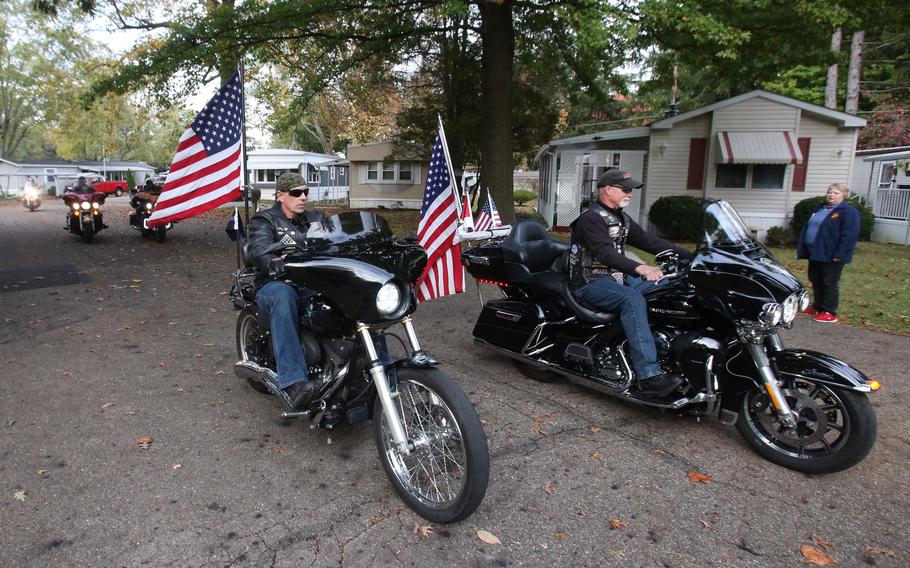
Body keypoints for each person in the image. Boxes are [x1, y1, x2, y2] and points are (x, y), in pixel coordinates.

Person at [568, 169, 692, 397]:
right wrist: (640, 267)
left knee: (667, 288)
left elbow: (650, 241)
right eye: (625, 189)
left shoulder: (621, 218)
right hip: (590, 282)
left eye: (631, 189)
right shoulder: (591, 219)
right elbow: (606, 254)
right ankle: (648, 376)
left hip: (618, 279)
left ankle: (668, 348)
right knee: (633, 299)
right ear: (608, 190)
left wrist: (694, 258)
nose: (631, 193)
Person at [248, 172, 328, 409]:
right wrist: (273, 261)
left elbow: (338, 238)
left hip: (310, 281)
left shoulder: (315, 218)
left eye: (305, 192)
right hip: (274, 283)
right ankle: (294, 381)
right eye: (296, 193)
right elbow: (258, 249)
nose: (303, 197)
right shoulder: (264, 220)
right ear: (281, 195)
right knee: (285, 296)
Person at [796, 183, 860, 324]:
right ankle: (818, 306)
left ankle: (829, 311)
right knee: (816, 279)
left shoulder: (848, 211)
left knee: (829, 282)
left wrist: (840, 253)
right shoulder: (821, 209)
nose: (831, 195)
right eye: (830, 192)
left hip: (832, 254)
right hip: (816, 252)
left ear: (844, 195)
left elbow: (849, 235)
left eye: (836, 193)